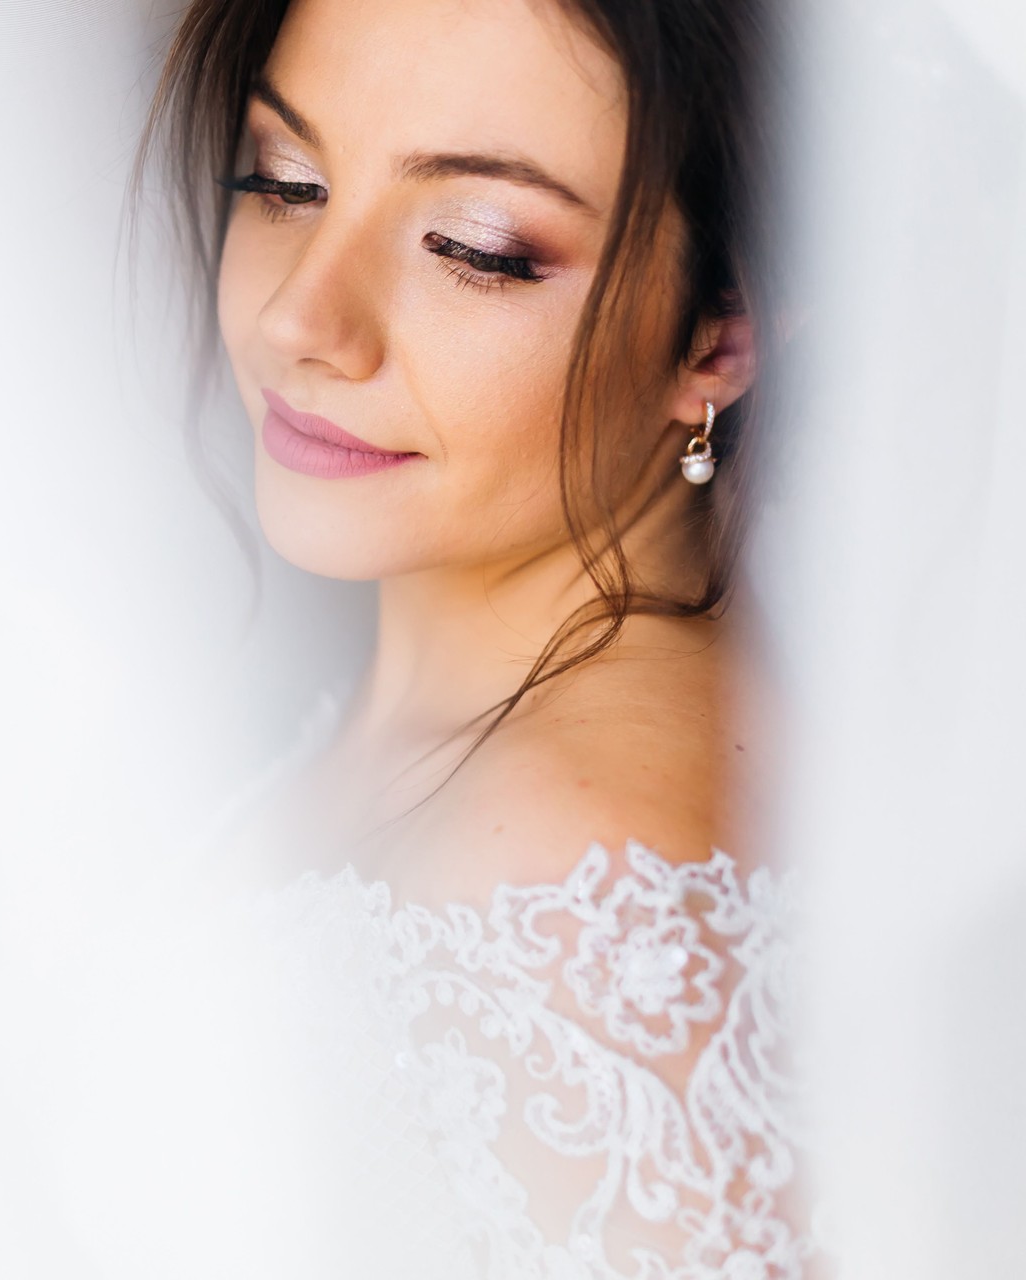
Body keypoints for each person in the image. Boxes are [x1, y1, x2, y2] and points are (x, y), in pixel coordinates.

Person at [140, 0, 822, 1274]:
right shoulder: (440, 712)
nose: (304, 317)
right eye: (283, 180)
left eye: (476, 246)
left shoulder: (594, 913)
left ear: (719, 331)